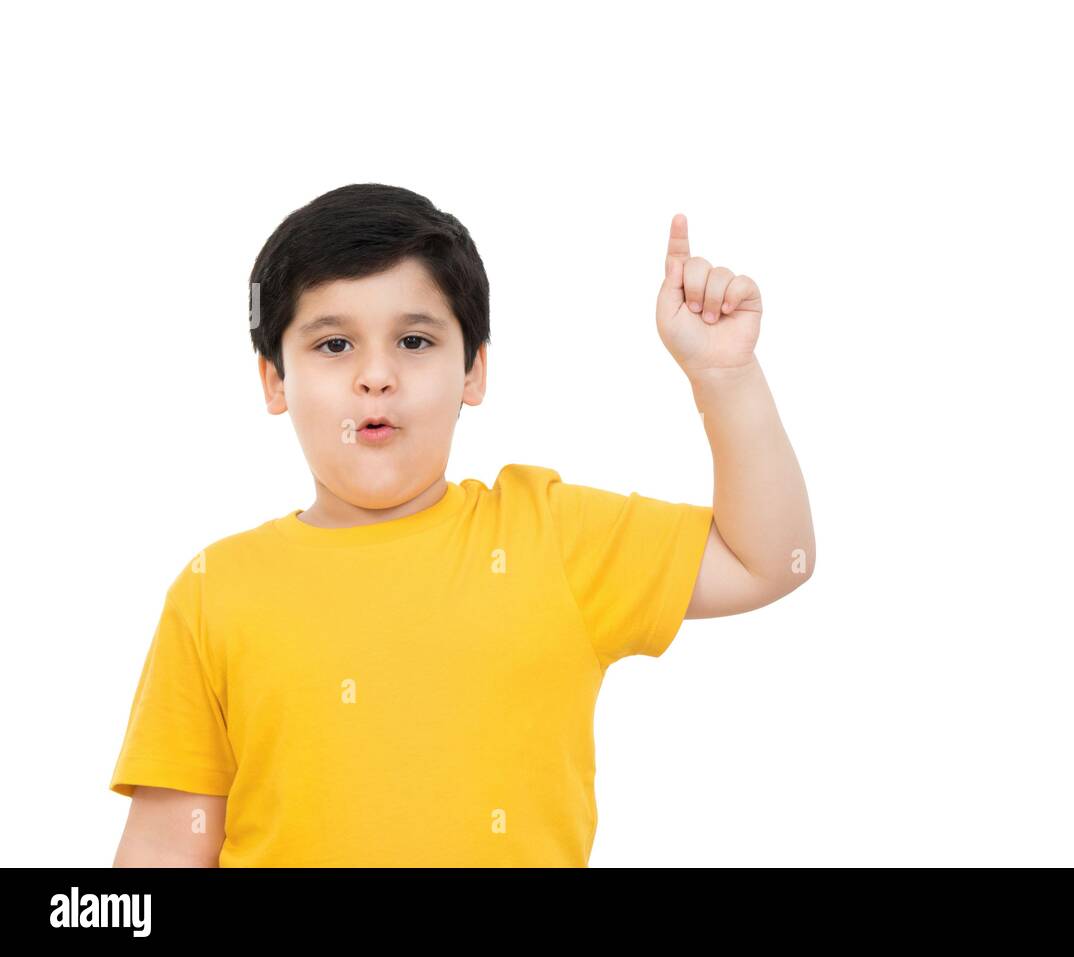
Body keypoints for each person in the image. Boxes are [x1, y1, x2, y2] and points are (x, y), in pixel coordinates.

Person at [109, 183, 816, 867]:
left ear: (473, 371)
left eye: (415, 341)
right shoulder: (215, 589)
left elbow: (770, 559)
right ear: (273, 380)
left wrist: (726, 378)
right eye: (333, 346)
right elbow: (168, 846)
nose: (376, 375)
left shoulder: (550, 535)